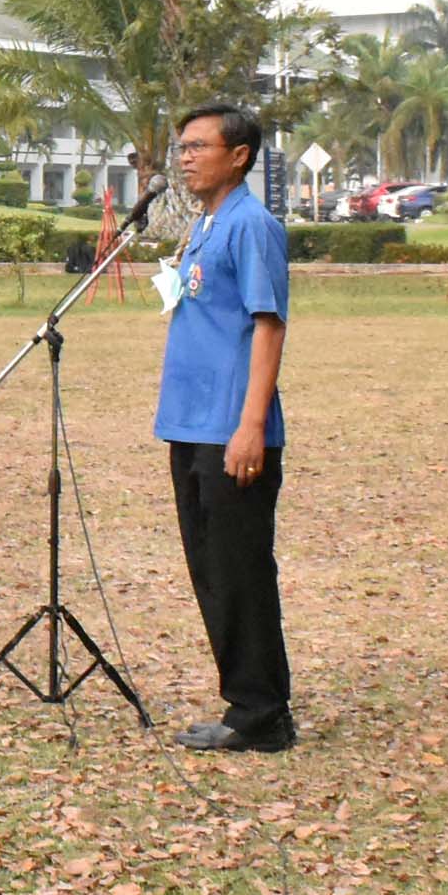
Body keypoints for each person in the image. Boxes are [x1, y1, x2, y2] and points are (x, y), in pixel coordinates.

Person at [153, 102, 295, 752]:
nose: (185, 158)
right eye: (181, 147)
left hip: (231, 429)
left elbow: (269, 325)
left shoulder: (251, 225)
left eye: (198, 146)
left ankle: (261, 715)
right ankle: (246, 701)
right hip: (190, 424)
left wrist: (250, 426)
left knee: (239, 571)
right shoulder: (206, 225)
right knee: (211, 568)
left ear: (238, 156)